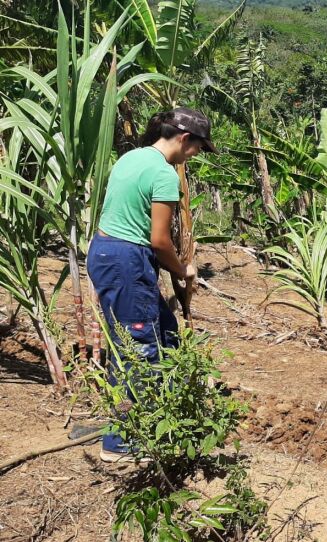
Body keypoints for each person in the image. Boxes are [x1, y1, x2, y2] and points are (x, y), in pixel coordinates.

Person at [87, 107, 216, 462]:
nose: (196, 154)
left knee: (166, 333)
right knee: (137, 347)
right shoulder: (163, 173)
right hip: (127, 260)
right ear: (184, 138)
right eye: (198, 147)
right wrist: (183, 270)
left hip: (106, 252)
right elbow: (159, 241)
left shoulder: (132, 157)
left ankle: (167, 415)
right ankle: (120, 443)